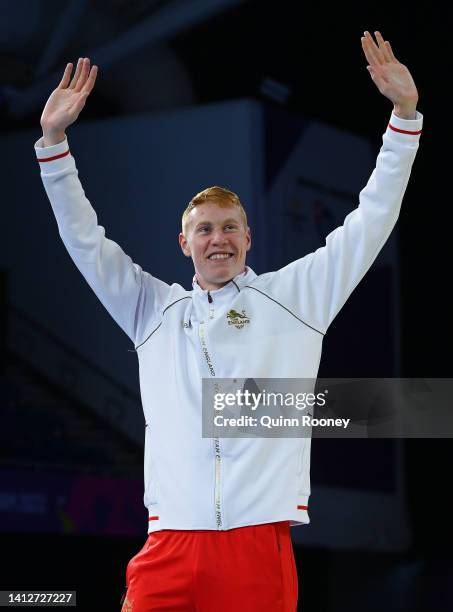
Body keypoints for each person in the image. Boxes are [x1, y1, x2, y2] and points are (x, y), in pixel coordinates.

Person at [35, 30, 422, 612]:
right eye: (206, 229)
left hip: (256, 547)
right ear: (184, 243)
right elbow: (85, 241)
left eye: (230, 226)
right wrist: (53, 143)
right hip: (167, 545)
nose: (219, 238)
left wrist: (404, 119)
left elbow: (371, 220)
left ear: (249, 236)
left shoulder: (296, 297)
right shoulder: (151, 311)